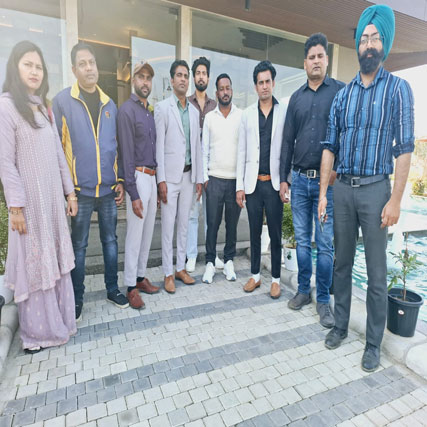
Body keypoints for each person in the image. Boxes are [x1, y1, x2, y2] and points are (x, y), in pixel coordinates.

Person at [318, 4, 414, 371]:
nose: (369, 44)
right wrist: (324, 194)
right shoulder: (343, 96)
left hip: (376, 192)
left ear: (384, 44)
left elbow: (405, 148)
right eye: (363, 39)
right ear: (357, 45)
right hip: (343, 189)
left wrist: (395, 200)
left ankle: (373, 343)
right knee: (341, 264)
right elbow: (330, 147)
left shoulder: (399, 90)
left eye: (375, 38)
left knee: (376, 273)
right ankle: (340, 326)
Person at [0, 41, 77, 353]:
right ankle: (37, 333)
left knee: (54, 260)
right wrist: (16, 207)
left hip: (52, 205)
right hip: (29, 206)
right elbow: (5, 162)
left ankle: (60, 322)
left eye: (39, 66)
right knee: (35, 263)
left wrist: (70, 192)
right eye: (27, 65)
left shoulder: (43, 107)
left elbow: (58, 153)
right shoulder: (7, 106)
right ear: (15, 68)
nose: (34, 71)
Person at [53, 42, 128, 320]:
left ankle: (112, 289)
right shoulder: (62, 102)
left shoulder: (110, 104)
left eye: (92, 62)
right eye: (83, 64)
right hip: (79, 192)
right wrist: (67, 191)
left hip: (107, 190)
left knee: (111, 241)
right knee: (79, 247)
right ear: (74, 69)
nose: (89, 68)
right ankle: (77, 298)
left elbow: (115, 146)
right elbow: (57, 148)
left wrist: (119, 180)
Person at [280, 33, 345, 328]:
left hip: (327, 184)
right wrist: (285, 179)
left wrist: (339, 169)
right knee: (303, 241)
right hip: (299, 180)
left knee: (326, 244)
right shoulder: (296, 98)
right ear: (304, 63)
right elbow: (287, 141)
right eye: (311, 57)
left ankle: (323, 301)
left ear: (327, 60)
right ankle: (304, 291)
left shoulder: (340, 93)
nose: (316, 61)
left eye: (320, 56)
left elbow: (347, 134)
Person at [236, 61, 287, 299]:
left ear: (273, 83)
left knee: (275, 234)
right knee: (254, 232)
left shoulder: (283, 112)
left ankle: (275, 280)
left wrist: (286, 181)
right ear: (255, 86)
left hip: (274, 184)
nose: (264, 86)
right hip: (253, 184)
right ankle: (255, 275)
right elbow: (241, 152)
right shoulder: (247, 114)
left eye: (268, 81)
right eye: (260, 82)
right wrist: (240, 187)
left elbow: (287, 149)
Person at [155, 60, 203, 294]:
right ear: (172, 80)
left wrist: (199, 178)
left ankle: (180, 268)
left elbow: (197, 147)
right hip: (170, 179)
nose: (183, 79)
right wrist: (160, 180)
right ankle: (167, 273)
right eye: (179, 75)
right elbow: (158, 146)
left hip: (188, 177)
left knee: (184, 224)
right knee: (167, 227)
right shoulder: (162, 108)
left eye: (186, 75)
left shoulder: (194, 111)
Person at [117, 61, 160, 310]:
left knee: (147, 233)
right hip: (138, 177)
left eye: (148, 78)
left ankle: (140, 277)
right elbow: (126, 155)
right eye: (141, 77)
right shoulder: (127, 111)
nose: (145, 82)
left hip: (152, 177)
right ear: (133, 80)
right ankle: (130, 286)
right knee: (134, 235)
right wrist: (133, 192)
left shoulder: (148, 112)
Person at [202, 74, 243, 284]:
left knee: (232, 225)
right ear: (216, 92)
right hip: (214, 180)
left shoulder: (241, 116)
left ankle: (228, 261)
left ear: (231, 90)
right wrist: (205, 179)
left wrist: (241, 183)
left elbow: (244, 151)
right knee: (212, 224)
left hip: (234, 181)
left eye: (228, 88)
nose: (225, 92)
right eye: (221, 89)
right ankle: (210, 263)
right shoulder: (210, 118)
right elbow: (204, 151)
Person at [186, 56, 220, 273]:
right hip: (191, 170)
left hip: (211, 170)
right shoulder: (186, 103)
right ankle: (191, 255)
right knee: (192, 214)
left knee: (211, 216)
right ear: (194, 77)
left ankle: (211, 255)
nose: (201, 76)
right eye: (198, 73)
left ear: (208, 77)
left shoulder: (214, 106)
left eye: (204, 73)